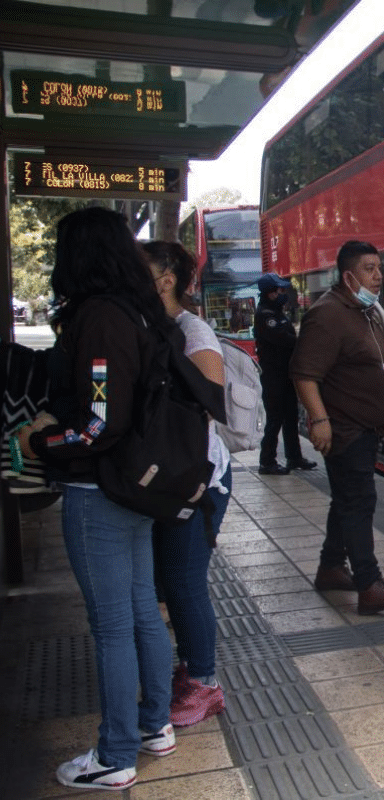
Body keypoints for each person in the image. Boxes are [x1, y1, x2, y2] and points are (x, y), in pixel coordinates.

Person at [17, 208, 178, 790]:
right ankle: (154, 725)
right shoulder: (137, 311)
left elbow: (99, 423)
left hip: (99, 489)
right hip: (133, 487)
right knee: (138, 611)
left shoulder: (101, 317)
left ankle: (115, 755)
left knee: (112, 624)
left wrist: (42, 443)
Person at [291, 240, 384, 614]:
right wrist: (319, 420)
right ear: (348, 276)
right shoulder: (327, 314)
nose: (378, 276)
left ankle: (331, 567)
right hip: (346, 430)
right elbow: (303, 374)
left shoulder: (363, 311)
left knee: (347, 501)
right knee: (359, 502)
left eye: (379, 268)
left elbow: (363, 364)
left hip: (364, 429)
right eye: (369, 268)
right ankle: (369, 583)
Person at [144, 241, 231, 728]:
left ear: (166, 279)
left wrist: (192, 483)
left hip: (195, 480)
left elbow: (209, 404)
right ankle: (190, 669)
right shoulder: (152, 327)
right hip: (169, 480)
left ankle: (205, 683)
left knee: (184, 583)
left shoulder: (191, 331)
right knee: (170, 582)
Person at [254, 272, 316, 474]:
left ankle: (294, 458)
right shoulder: (265, 315)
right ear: (270, 293)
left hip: (285, 374)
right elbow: (287, 339)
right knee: (275, 418)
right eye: (280, 290)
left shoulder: (277, 312)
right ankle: (267, 461)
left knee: (291, 416)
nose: (283, 293)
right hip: (273, 376)